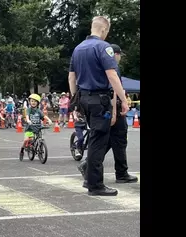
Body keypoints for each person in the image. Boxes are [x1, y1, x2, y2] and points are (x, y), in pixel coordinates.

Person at [68, 16, 129, 196]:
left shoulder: (78, 49)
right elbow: (112, 75)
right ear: (104, 30)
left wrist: (75, 100)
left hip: (84, 98)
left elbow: (72, 77)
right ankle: (94, 184)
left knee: (95, 137)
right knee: (98, 141)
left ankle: (91, 180)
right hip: (100, 100)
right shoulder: (104, 47)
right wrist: (124, 100)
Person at [78, 44, 138, 187]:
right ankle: (118, 172)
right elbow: (114, 91)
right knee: (115, 140)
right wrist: (115, 114)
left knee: (110, 140)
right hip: (113, 108)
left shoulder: (99, 65)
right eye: (119, 56)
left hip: (103, 107)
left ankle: (116, 171)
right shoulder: (112, 66)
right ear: (116, 54)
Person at [19, 94, 52, 160]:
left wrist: (49, 120)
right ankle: (22, 150)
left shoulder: (38, 111)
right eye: (32, 101)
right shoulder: (29, 110)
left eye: (35, 101)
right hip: (30, 128)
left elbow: (44, 116)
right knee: (26, 140)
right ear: (29, 102)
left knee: (39, 138)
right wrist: (28, 120)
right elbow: (27, 116)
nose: (33, 102)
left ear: (38, 103)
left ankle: (39, 148)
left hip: (37, 127)